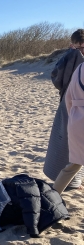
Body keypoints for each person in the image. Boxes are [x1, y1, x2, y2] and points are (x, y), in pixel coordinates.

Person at [44, 29, 84, 189]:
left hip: (75, 115)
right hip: (76, 114)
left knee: (74, 161)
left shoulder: (77, 68)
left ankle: (54, 194)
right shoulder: (76, 63)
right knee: (74, 159)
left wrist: (73, 114)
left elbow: (67, 98)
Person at [53, 63, 84, 194]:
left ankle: (52, 197)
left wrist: (74, 116)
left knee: (74, 164)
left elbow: (68, 98)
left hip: (76, 119)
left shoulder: (80, 67)